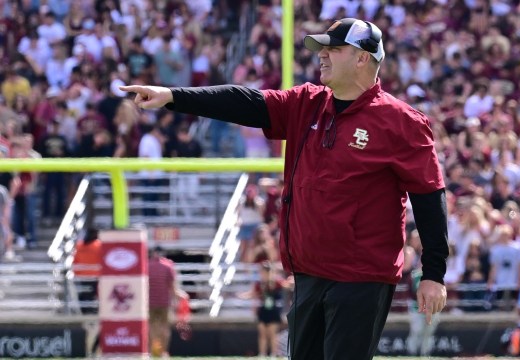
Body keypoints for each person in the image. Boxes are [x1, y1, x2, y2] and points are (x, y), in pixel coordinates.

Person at [121, 17, 449, 360]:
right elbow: (243, 102)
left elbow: (429, 197)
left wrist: (434, 273)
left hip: (360, 277)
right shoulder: (305, 103)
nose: (322, 56)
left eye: (333, 49)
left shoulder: (401, 122)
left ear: (362, 57)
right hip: (308, 273)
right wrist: (173, 96)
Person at [148, 246, 188, 357]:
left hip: (150, 302)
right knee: (164, 327)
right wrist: (179, 296)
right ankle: (163, 352)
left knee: (152, 327)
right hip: (164, 302)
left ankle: (153, 351)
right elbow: (172, 287)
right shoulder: (168, 266)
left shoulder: (147, 266)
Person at [72, 228, 102, 314]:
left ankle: (85, 312)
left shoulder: (79, 245)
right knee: (93, 296)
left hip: (82, 276)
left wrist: (76, 273)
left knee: (83, 295)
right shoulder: (98, 245)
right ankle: (93, 312)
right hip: (95, 276)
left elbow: (75, 261)